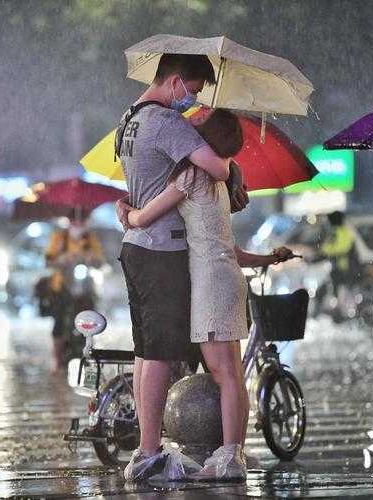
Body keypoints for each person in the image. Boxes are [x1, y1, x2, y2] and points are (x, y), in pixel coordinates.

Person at [123, 108, 293, 480]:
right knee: (230, 373)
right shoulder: (220, 179)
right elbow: (227, 247)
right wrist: (268, 257)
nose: (190, 129)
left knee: (226, 375)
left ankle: (231, 458)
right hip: (224, 276)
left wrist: (128, 213)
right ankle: (231, 455)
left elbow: (148, 214)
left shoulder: (194, 174)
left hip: (212, 282)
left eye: (198, 127)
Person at [112, 53, 249, 482]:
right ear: (174, 83)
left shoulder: (129, 117)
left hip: (136, 246)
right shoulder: (166, 122)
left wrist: (131, 215)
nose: (191, 101)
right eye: (191, 90)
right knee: (157, 353)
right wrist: (234, 168)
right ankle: (150, 452)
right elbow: (216, 166)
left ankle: (147, 448)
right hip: (161, 248)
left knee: (144, 351)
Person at [44, 217, 104, 372]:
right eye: (74, 220)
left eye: (81, 220)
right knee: (59, 322)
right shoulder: (59, 237)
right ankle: (56, 360)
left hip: (85, 287)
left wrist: (92, 259)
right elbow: (48, 261)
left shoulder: (90, 239)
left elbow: (100, 262)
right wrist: (62, 260)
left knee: (91, 320)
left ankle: (88, 356)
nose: (78, 223)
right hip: (62, 285)